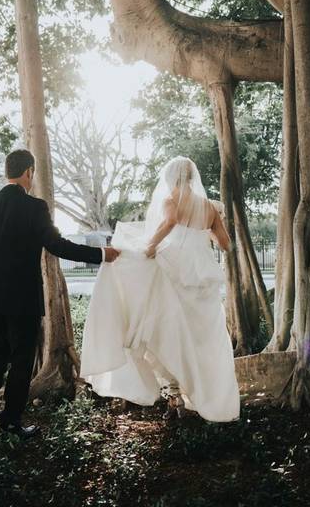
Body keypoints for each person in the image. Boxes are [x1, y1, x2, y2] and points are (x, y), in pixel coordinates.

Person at [0, 149, 120, 439]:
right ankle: (10, 420)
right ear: (29, 173)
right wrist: (100, 254)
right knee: (22, 358)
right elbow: (58, 246)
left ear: (8, 171)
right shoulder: (35, 208)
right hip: (22, 298)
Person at [80, 156, 240, 422]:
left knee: (167, 332)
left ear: (170, 178)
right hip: (201, 279)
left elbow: (168, 224)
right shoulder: (210, 208)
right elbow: (225, 244)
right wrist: (206, 228)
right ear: (191, 177)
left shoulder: (170, 202)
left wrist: (149, 247)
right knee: (202, 339)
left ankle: (175, 393)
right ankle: (203, 395)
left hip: (174, 272)